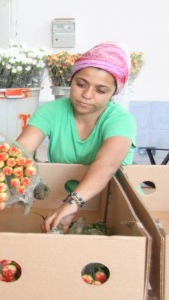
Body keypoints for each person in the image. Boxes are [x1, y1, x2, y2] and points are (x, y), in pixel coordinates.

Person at [15, 42, 136, 233]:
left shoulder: (121, 120)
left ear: (114, 93)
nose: (87, 95)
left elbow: (107, 164)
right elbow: (20, 152)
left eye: (101, 90)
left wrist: (73, 202)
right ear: (71, 80)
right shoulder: (52, 112)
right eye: (81, 84)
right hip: (60, 202)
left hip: (107, 208)